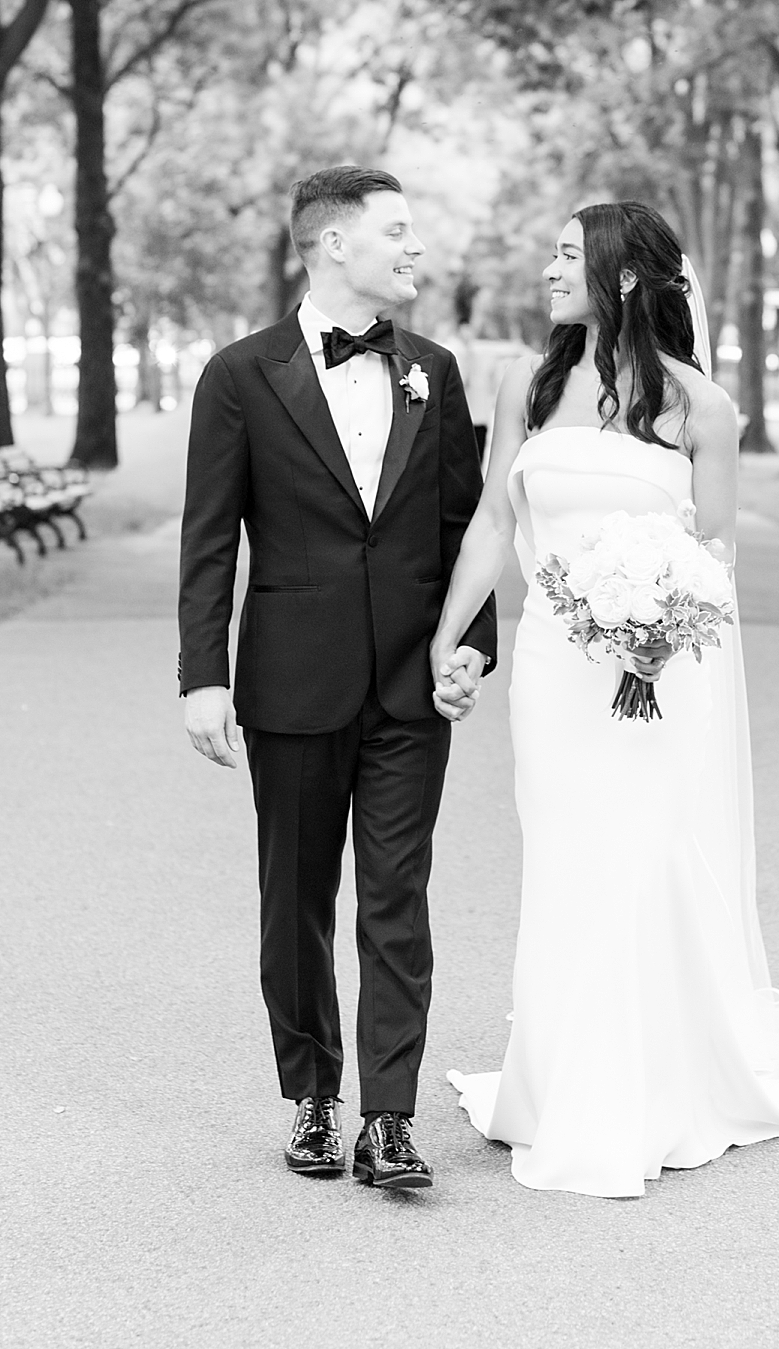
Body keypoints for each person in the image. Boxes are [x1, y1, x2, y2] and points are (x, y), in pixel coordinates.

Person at [435, 201, 779, 1197]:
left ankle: (631, 1094)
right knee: (565, 866)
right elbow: (493, 528)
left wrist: (655, 629)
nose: (548, 271)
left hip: (654, 677)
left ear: (624, 278)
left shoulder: (699, 409)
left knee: (632, 863)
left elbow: (714, 559)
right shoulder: (525, 385)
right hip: (554, 671)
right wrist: (447, 632)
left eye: (566, 256)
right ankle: (555, 1085)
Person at [178, 164, 496, 1192]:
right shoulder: (238, 374)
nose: (416, 249)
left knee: (397, 901)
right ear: (330, 246)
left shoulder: (435, 371)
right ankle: (315, 1095)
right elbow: (209, 540)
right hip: (291, 681)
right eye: (397, 230)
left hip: (410, 689)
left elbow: (463, 531)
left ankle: (390, 1119)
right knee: (297, 900)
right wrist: (201, 676)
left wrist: (470, 645)